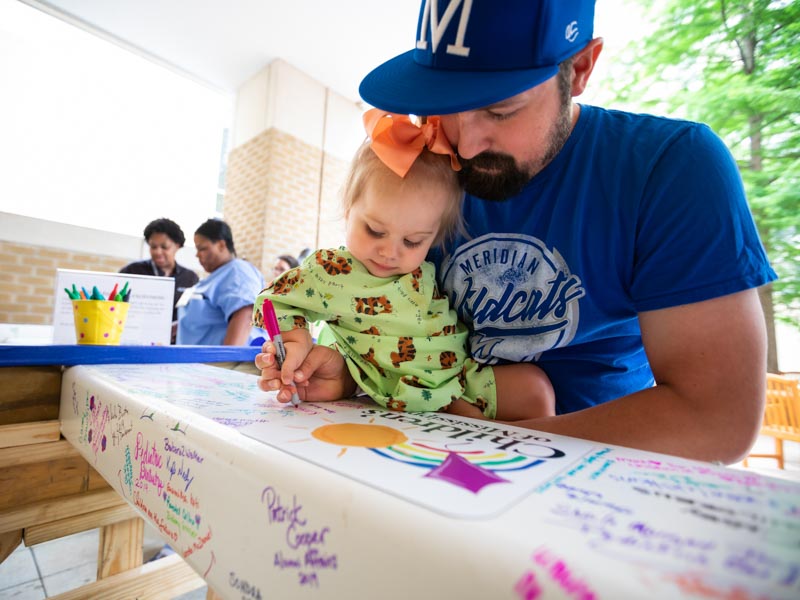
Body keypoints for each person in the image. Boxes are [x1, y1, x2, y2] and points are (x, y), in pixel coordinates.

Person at [261, 0, 778, 464]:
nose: (463, 146)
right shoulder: (425, 172)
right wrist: (348, 374)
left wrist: (499, 449)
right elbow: (402, 336)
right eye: (443, 104)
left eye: (499, 109)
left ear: (580, 68)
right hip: (416, 457)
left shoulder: (671, 168)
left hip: (607, 481)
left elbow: (717, 419)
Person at [254, 110, 554, 421]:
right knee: (475, 426)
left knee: (536, 389)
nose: (389, 252)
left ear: (435, 238)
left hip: (461, 375)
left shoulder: (423, 267)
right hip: (401, 387)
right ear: (348, 211)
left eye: (413, 241)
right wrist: (295, 340)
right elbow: (275, 299)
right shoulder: (332, 270)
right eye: (374, 230)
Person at [176, 218, 265, 346]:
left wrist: (227, 359)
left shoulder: (238, 272)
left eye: (202, 248)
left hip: (220, 364)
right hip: (197, 362)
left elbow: (245, 315)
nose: (197, 255)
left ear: (221, 245)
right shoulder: (215, 278)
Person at [120, 218, 199, 344]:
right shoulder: (132, 271)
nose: (158, 252)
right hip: (135, 341)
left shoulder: (190, 278)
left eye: (164, 247)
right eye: (153, 246)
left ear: (177, 246)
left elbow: (193, 314)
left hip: (174, 344)